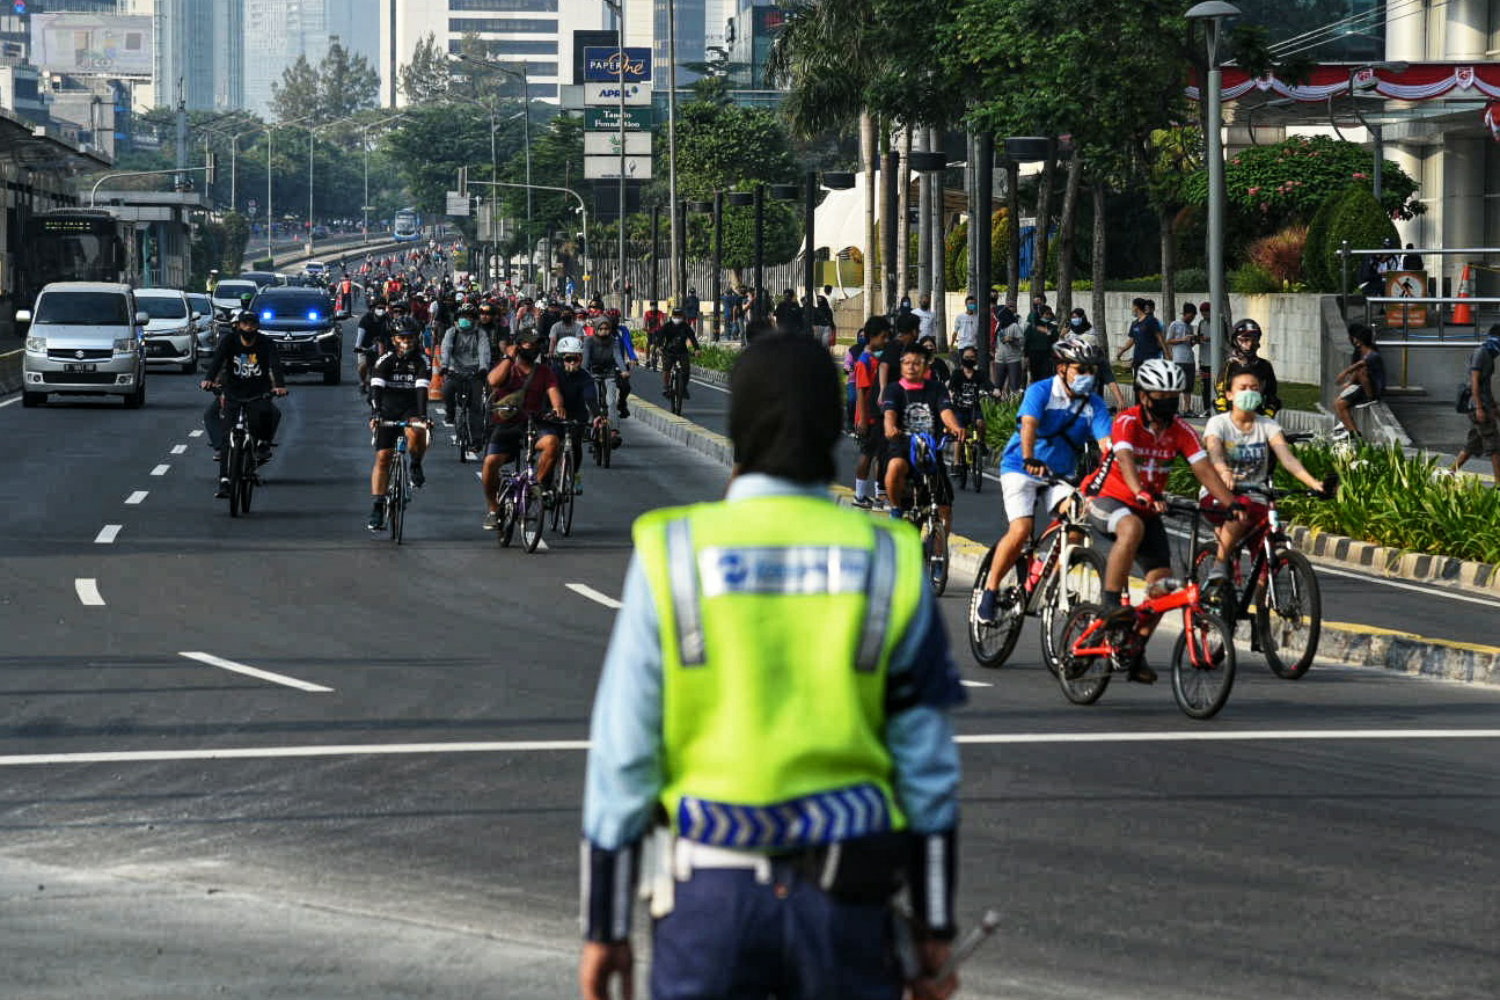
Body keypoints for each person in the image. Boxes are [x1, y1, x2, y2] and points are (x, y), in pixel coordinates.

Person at [579, 333, 963, 1000]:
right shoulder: (890, 557)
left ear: (735, 425)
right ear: (836, 422)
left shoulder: (672, 551)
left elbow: (623, 755)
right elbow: (926, 768)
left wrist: (605, 926)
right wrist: (934, 926)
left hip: (709, 903)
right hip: (847, 911)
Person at [1081, 358, 1240, 682]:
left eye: (1173, 395)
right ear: (1143, 397)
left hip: (1148, 507)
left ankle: (1134, 648)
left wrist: (1231, 503)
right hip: (1109, 500)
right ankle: (1110, 604)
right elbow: (1125, 458)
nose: (1168, 401)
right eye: (1160, 395)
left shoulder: (1180, 430)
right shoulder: (1127, 420)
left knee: (1163, 587)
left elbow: (1202, 468)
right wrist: (1139, 490)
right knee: (1131, 527)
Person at [975, 336, 1114, 623]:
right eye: (1080, 369)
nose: (1087, 376)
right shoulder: (1041, 391)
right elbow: (1029, 425)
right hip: (1021, 468)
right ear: (1062, 368)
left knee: (1076, 528)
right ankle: (988, 593)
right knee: (1021, 530)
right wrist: (1029, 458)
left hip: (1059, 476)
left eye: (1092, 370)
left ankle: (1046, 579)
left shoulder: (1095, 404)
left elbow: (1108, 445)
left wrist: (1116, 473)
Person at [1202, 370, 1338, 581]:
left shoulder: (1268, 425)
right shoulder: (1218, 423)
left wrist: (1315, 483)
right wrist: (1224, 471)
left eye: (1254, 388)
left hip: (1256, 494)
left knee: (1266, 557)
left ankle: (1264, 598)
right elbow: (1215, 452)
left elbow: (1287, 458)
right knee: (1239, 512)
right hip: (1220, 493)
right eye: (1243, 388)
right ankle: (1219, 566)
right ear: (1229, 394)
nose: (1249, 392)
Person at [481, 329, 565, 530]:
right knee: (490, 463)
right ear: (518, 346)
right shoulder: (507, 368)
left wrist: (558, 408)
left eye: (537, 344)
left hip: (533, 423)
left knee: (552, 443)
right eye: (529, 344)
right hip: (506, 424)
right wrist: (509, 357)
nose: (534, 348)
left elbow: (554, 393)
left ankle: (535, 487)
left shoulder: (544, 371)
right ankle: (493, 509)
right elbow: (493, 381)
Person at [201, 310, 288, 498]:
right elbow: (217, 361)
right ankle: (224, 480)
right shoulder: (229, 341)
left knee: (264, 418)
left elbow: (275, 364)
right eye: (245, 324)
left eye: (252, 324)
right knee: (227, 436)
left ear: (257, 326)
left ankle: (258, 449)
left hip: (257, 392)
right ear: (238, 325)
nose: (249, 327)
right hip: (233, 392)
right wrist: (208, 379)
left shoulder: (266, 343)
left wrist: (279, 385)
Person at [882, 341, 967, 526]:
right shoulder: (894, 389)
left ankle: (938, 553)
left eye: (916, 363)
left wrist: (956, 427)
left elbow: (946, 411)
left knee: (944, 510)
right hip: (903, 448)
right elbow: (889, 414)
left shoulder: (936, 389)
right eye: (907, 363)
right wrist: (890, 428)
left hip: (930, 452)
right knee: (895, 466)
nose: (911, 367)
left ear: (926, 365)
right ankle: (896, 507)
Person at [366, 321, 432, 531]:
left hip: (411, 408)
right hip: (387, 408)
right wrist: (376, 413)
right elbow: (376, 388)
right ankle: (377, 506)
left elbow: (422, 389)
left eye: (410, 338)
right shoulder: (385, 360)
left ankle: (415, 463)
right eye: (402, 338)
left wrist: (422, 416)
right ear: (394, 340)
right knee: (383, 457)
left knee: (417, 429)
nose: (406, 343)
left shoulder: (422, 361)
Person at [1449, 323, 1500, 479]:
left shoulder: (1488, 354)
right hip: (1477, 406)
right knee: (1495, 446)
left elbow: (1485, 385)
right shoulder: (1482, 353)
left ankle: (1450, 473)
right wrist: (1479, 407)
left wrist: (1493, 407)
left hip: (1482, 406)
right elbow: (1475, 382)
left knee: (1473, 444)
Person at [850, 318, 891, 508]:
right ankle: (859, 494)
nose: (885, 340)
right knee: (867, 454)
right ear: (872, 337)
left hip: (878, 415)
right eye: (883, 336)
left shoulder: (878, 359)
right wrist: (863, 420)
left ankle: (878, 493)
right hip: (869, 416)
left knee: (880, 454)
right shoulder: (864, 361)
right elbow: (861, 391)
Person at [552, 335, 600, 495]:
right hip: (553, 413)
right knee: (551, 446)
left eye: (576, 359)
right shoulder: (553, 373)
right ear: (561, 359)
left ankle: (575, 475)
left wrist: (597, 415)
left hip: (577, 414)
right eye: (569, 359)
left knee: (575, 446)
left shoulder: (585, 376)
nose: (572, 362)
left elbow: (590, 396)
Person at [439, 302, 493, 439]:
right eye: (463, 317)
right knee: (446, 390)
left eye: (469, 317)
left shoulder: (480, 334)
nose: (466, 320)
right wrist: (444, 366)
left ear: (475, 319)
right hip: (455, 371)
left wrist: (483, 368)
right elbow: (446, 349)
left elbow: (484, 351)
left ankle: (476, 440)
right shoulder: (452, 332)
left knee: (476, 407)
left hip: (475, 373)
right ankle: (450, 414)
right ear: (457, 319)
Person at [1213, 318, 1282, 416]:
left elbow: (1272, 397)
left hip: (1258, 418)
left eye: (1253, 340)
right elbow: (1221, 399)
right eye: (1244, 340)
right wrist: (1228, 421)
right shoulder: (1229, 366)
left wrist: (1267, 416)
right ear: (1235, 341)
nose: (1249, 345)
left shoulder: (1265, 366)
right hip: (1232, 418)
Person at [1333, 322, 1386, 441]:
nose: (1353, 340)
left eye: (1355, 338)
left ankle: (1352, 431)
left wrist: (1345, 373)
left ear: (1359, 340)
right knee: (1338, 402)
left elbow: (1361, 365)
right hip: (1361, 385)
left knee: (1340, 404)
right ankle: (1349, 428)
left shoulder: (1372, 354)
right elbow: (1358, 368)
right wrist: (1350, 383)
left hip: (1372, 389)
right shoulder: (1360, 352)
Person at [583, 314, 634, 419]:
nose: (604, 331)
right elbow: (586, 360)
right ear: (596, 329)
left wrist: (624, 370)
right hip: (593, 373)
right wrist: (584, 372)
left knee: (611, 402)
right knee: (593, 400)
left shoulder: (613, 341)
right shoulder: (589, 341)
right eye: (601, 329)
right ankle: (591, 425)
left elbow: (618, 357)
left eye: (606, 329)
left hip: (610, 373)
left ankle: (614, 430)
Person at [1164, 302, 1199, 415]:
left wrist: (1194, 341)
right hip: (1178, 359)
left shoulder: (1190, 327)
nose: (1192, 319)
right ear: (1186, 314)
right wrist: (1182, 339)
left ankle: (1187, 409)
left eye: (1193, 317)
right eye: (1191, 316)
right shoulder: (1175, 324)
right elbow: (1168, 340)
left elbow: (1189, 344)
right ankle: (1174, 409)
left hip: (1190, 359)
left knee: (1188, 386)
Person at [354, 296, 392, 394]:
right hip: (365, 346)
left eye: (383, 308)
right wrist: (358, 346)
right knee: (363, 365)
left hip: (382, 346)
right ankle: (362, 382)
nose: (381, 310)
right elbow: (360, 334)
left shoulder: (387, 319)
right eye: (379, 308)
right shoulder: (366, 319)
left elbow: (391, 333)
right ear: (373, 308)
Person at [1117, 297, 1164, 377]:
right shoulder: (1134, 323)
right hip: (1138, 359)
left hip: (1151, 359)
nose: (1132, 309)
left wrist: (1166, 354)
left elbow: (1161, 339)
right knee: (1138, 386)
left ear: (1136, 307)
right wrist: (1122, 351)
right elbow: (1132, 340)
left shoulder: (1152, 321)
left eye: (1132, 306)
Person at [659, 306, 700, 396]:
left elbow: (692, 338)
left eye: (679, 316)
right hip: (669, 351)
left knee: (686, 370)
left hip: (682, 351)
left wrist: (697, 349)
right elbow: (660, 337)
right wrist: (660, 347)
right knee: (666, 369)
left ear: (683, 316)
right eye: (676, 316)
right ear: (672, 316)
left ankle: (683, 387)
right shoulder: (667, 326)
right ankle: (666, 386)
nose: (677, 318)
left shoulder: (685, 326)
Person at [992, 307, 1025, 395]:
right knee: (998, 385)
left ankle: (1014, 404)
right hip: (1000, 358)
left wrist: (1012, 339)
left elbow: (1022, 341)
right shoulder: (999, 325)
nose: (998, 319)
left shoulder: (1014, 326)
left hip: (1013, 358)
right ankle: (997, 403)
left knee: (1014, 385)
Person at [1023, 305, 1059, 384]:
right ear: (1041, 314)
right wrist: (1026, 356)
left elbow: (1055, 340)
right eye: (1046, 314)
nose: (1048, 316)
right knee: (1035, 377)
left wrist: (1049, 333)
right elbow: (1026, 342)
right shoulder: (1032, 327)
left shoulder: (1052, 327)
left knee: (1046, 376)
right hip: (1034, 355)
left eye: (1050, 314)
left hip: (1047, 355)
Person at [951, 295, 980, 362]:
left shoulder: (977, 317)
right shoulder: (960, 317)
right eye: (970, 303)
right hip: (962, 346)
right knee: (963, 364)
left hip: (974, 346)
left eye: (973, 303)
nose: (971, 305)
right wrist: (951, 346)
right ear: (966, 304)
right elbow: (955, 332)